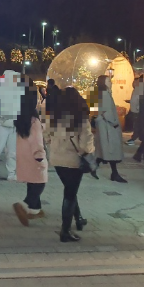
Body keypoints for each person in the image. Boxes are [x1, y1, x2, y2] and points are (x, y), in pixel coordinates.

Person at [45, 87, 93, 242]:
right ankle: (65, 231)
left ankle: (78, 219)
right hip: (73, 161)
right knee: (70, 194)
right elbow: (85, 146)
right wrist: (90, 151)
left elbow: (46, 136)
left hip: (57, 159)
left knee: (70, 189)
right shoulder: (81, 120)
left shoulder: (54, 118)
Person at [12, 87, 47, 226]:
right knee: (40, 182)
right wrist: (40, 156)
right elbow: (37, 141)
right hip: (34, 156)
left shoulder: (20, 118)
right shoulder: (34, 121)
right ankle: (24, 204)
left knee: (32, 182)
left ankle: (35, 210)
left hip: (23, 155)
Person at [0, 69, 23, 181]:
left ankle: (11, 173)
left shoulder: (17, 89)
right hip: (4, 123)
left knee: (11, 150)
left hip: (12, 124)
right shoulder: (0, 88)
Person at [94, 75, 125, 183]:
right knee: (111, 150)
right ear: (103, 82)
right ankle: (114, 173)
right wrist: (115, 123)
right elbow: (107, 112)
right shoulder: (105, 94)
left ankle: (95, 167)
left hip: (102, 126)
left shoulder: (98, 93)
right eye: (108, 81)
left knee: (104, 151)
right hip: (108, 127)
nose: (110, 82)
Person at [127, 73, 144, 145]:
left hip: (137, 111)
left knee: (137, 125)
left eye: (135, 82)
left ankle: (135, 137)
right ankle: (137, 137)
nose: (133, 84)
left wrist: (138, 108)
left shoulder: (140, 89)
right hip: (134, 110)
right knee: (136, 124)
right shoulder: (136, 89)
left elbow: (140, 100)